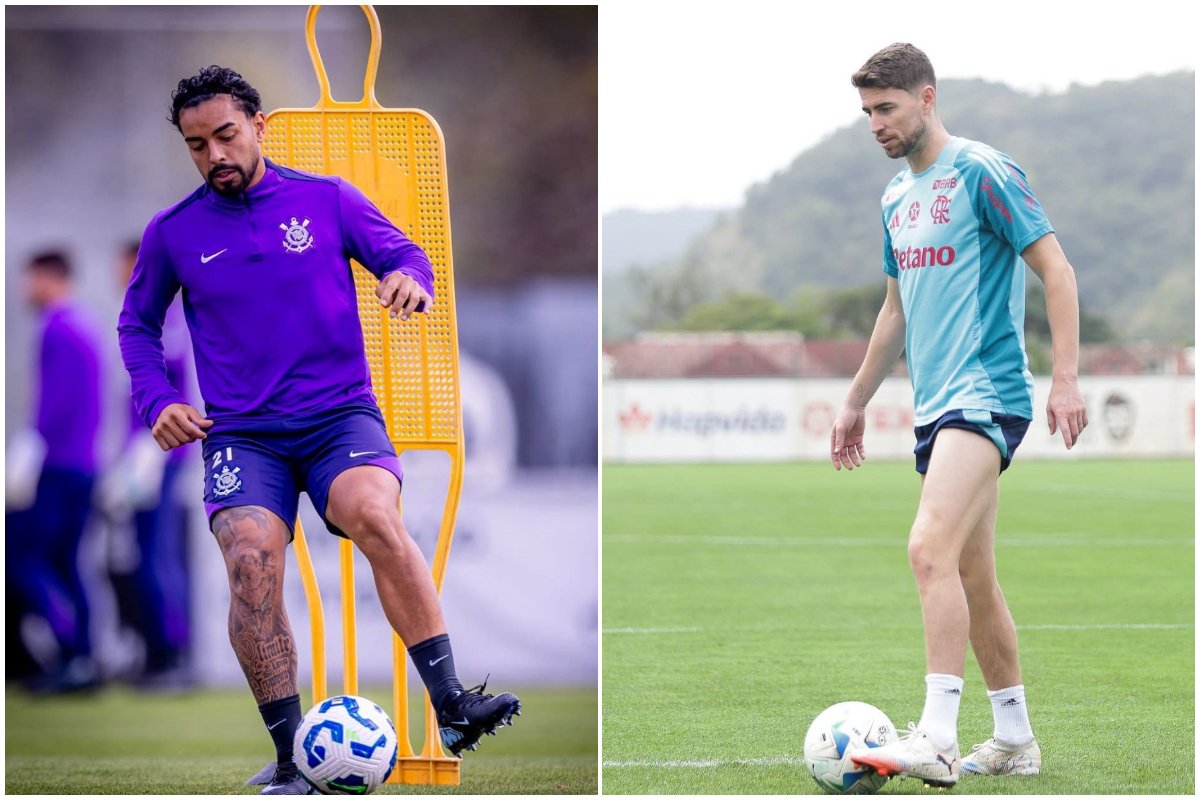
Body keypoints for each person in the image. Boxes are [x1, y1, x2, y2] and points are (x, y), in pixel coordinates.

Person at [118, 66, 520, 795]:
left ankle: (454, 706)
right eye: (196, 145)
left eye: (226, 136)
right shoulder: (174, 233)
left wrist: (408, 278)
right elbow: (137, 325)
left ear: (260, 125)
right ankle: (287, 759)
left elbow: (404, 254)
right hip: (243, 435)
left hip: (340, 417)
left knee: (374, 512)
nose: (214, 156)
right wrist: (155, 400)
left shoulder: (326, 200)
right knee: (250, 561)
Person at [830, 44, 1087, 786]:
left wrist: (1065, 378)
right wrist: (854, 401)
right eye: (867, 113)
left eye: (887, 108)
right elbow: (894, 310)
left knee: (926, 549)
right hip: (935, 405)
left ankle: (937, 735)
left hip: (987, 393)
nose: (876, 124)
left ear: (926, 98)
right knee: (972, 575)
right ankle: (1014, 737)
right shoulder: (893, 200)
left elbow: (1056, 269)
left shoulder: (983, 171)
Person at [6, 250, 105, 693]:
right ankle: (81, 657)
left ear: (50, 277)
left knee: (25, 559)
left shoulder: (57, 328)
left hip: (58, 466)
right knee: (67, 563)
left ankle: (68, 652)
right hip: (81, 465)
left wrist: (30, 448)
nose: (27, 289)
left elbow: (54, 403)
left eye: (32, 279)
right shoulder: (85, 327)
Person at [101, 240, 196, 688]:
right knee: (139, 556)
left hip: (158, 458)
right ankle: (152, 650)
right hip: (140, 460)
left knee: (159, 557)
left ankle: (171, 656)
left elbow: (177, 396)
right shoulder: (143, 323)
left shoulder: (168, 324)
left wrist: (153, 457)